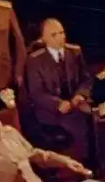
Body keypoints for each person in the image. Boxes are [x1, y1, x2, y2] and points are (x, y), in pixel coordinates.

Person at [26, 18, 93, 162]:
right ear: (44, 39)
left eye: (62, 32)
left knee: (93, 118)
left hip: (76, 104)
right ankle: (82, 165)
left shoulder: (75, 52)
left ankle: (93, 161)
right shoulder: (34, 60)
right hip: (51, 110)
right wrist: (58, 104)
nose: (60, 37)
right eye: (54, 34)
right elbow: (36, 93)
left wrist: (80, 95)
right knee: (79, 124)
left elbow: (86, 79)